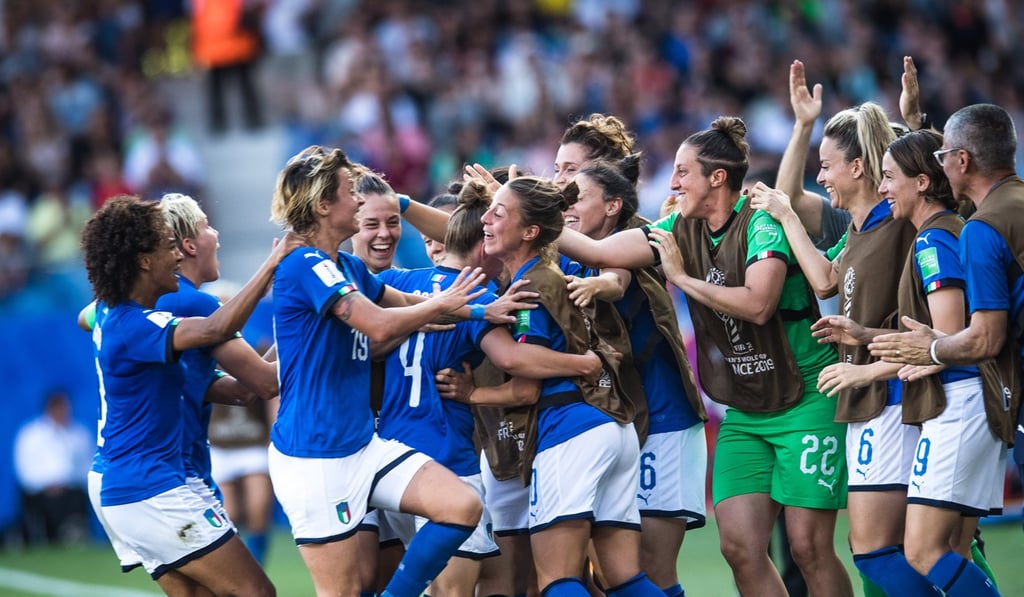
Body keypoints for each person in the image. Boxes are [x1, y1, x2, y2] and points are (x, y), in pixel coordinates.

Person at [554, 117, 851, 597]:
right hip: (747, 409)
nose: (671, 183)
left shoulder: (761, 221)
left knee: (808, 548)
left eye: (682, 172)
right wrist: (522, 212)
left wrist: (683, 278)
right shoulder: (676, 226)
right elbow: (593, 248)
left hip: (806, 399)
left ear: (717, 178)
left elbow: (758, 304)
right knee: (739, 548)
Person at [266, 145, 508, 596]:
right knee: (345, 589)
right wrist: (443, 304)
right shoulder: (303, 264)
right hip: (315, 455)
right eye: (347, 192)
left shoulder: (350, 265)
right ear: (322, 205)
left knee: (460, 506)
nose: (358, 200)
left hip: (362, 446)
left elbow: (409, 305)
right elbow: (376, 323)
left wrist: (484, 312)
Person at [377, 179, 604, 596]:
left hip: (390, 460)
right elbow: (513, 362)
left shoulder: (400, 285)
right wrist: (583, 363)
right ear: (482, 247)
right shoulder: (482, 298)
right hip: (446, 460)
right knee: (470, 586)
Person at [749, 59, 920, 595]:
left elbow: (935, 185)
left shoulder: (899, 219)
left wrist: (915, 124)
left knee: (896, 548)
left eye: (827, 166)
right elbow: (823, 278)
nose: (819, 177)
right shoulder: (856, 231)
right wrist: (801, 132)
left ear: (859, 167)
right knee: (885, 549)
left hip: (894, 391)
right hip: (868, 395)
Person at [81, 194, 294, 596]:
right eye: (166, 247)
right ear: (143, 260)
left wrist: (291, 329)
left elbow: (239, 390)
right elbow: (221, 338)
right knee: (257, 592)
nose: (175, 256)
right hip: (148, 483)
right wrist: (272, 266)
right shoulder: (146, 319)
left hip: (128, 479)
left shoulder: (117, 312)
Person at [461, 175, 661, 596]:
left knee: (556, 578)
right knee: (623, 576)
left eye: (499, 213)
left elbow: (520, 375)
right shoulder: (553, 274)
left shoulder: (530, 285)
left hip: (571, 428)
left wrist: (471, 393)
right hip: (613, 426)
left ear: (530, 232)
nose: (486, 220)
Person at [869, 103, 1024, 594]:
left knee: (920, 550)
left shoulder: (980, 229)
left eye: (943, 155)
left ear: (959, 161)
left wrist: (928, 350)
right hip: (989, 400)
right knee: (951, 548)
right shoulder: (1009, 207)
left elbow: (984, 338)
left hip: (970, 398)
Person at [562, 154, 708, 597]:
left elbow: (615, 279)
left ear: (612, 206)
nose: (566, 199)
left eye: (577, 193)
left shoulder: (635, 241)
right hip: (616, 423)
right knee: (607, 572)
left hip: (663, 420)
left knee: (649, 567)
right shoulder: (569, 257)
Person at [13, 390, 92, 546]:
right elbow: (24, 469)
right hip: (40, 492)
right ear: (49, 408)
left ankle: (75, 538)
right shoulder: (30, 434)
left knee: (77, 500)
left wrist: (68, 484)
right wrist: (47, 485)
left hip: (70, 492)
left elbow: (87, 466)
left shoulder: (79, 433)